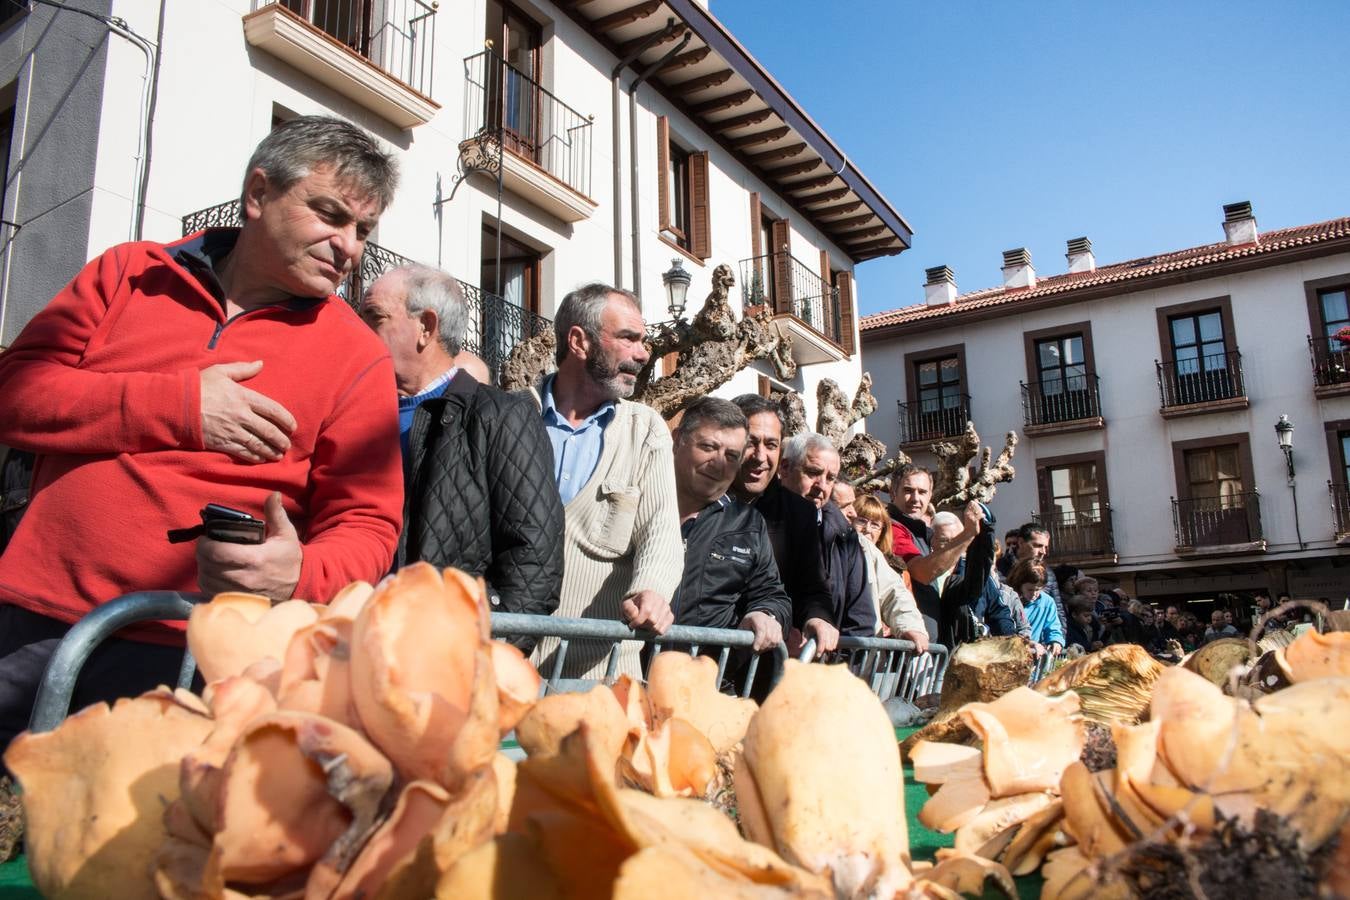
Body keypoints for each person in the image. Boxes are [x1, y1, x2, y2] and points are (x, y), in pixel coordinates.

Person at [0, 116, 405, 759]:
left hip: (196, 657)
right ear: (258, 193)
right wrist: (183, 405)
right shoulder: (130, 273)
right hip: (30, 625)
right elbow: (14, 394)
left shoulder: (360, 357)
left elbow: (368, 525)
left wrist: (298, 573)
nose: (348, 246)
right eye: (330, 215)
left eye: (364, 230)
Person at [361, 265, 564, 652]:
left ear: (426, 327)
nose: (358, 329)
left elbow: (533, 558)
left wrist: (484, 656)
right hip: (356, 647)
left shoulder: (502, 416)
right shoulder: (356, 412)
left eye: (375, 318)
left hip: (446, 660)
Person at [527, 283, 682, 678]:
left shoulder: (645, 430)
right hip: (508, 672)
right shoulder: (512, 414)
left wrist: (653, 589)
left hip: (603, 680)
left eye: (642, 340)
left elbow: (660, 528)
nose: (643, 353)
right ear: (578, 341)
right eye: (629, 338)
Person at [667, 398, 790, 690]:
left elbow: (772, 593)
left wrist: (765, 614)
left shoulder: (747, 523)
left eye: (732, 455)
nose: (720, 463)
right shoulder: (638, 500)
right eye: (708, 447)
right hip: (624, 678)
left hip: (706, 690)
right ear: (677, 440)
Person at [727, 395, 839, 660]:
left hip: (762, 663)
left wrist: (817, 618)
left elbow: (812, 587)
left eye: (771, 445)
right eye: (751, 442)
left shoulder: (799, 513)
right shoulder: (702, 498)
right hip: (698, 658)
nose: (760, 457)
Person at [778, 432, 876, 639]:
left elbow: (860, 619)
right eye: (813, 473)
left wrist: (842, 668)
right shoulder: (756, 520)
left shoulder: (845, 535)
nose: (822, 486)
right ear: (785, 468)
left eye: (830, 478)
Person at [886, 464, 982, 639]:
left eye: (922, 492)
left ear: (930, 495)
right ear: (893, 492)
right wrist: (968, 534)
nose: (915, 498)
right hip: (908, 644)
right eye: (908, 490)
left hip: (926, 643)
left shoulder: (922, 532)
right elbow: (923, 572)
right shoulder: (891, 527)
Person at [849, 493, 928, 650]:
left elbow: (896, 597)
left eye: (875, 525)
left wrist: (910, 628)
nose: (867, 529)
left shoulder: (897, 569)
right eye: (862, 520)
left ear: (882, 532)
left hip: (875, 650)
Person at [998, 523, 1067, 631]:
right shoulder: (1000, 569)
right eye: (1038, 545)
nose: (1043, 552)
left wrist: (1057, 641)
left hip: (1042, 642)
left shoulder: (1047, 572)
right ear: (1021, 542)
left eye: (1045, 547)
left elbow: (1058, 611)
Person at [1006, 560, 1064, 658]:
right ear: (1019, 585)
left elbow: (1053, 626)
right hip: (1009, 652)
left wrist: (1055, 640)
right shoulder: (1008, 600)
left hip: (1034, 655)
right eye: (1030, 590)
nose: (1034, 594)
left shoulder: (1047, 602)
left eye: (1038, 589)